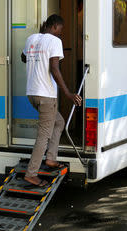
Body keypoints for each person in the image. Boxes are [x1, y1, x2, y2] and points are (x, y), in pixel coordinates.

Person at [21, 14, 82, 187]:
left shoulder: (31, 39)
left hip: (32, 94)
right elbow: (54, 69)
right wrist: (68, 94)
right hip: (46, 96)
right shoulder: (54, 41)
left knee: (59, 122)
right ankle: (31, 174)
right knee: (43, 136)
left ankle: (50, 159)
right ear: (55, 26)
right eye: (60, 31)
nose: (60, 34)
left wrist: (36, 54)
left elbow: (23, 58)